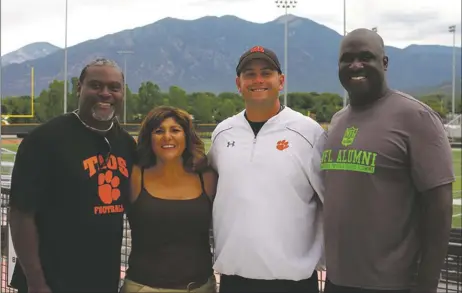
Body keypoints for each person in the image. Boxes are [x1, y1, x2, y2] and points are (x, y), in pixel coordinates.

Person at [321, 28, 455, 293]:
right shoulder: (337, 121)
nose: (355, 65)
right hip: (337, 281)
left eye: (366, 57)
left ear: (384, 62)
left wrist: (426, 285)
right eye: (347, 59)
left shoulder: (415, 117)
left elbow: (439, 208)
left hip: (392, 284)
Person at [9, 58, 137, 293]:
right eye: (96, 85)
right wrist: (36, 281)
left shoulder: (126, 144)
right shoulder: (44, 140)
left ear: (122, 92)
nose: (105, 93)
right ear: (79, 88)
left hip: (102, 280)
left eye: (114, 88)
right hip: (50, 282)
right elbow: (20, 215)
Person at [208, 46, 327, 293]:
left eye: (266, 72)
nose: (258, 80)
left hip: (293, 282)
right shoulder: (222, 133)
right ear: (238, 83)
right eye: (249, 74)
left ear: (280, 81)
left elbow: (331, 200)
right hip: (234, 278)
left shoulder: (309, 132)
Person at [120, 106, 218, 293]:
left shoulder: (206, 178)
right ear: (149, 138)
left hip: (200, 288)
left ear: (186, 136)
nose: (167, 137)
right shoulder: (134, 176)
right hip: (143, 287)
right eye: (158, 131)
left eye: (175, 130)